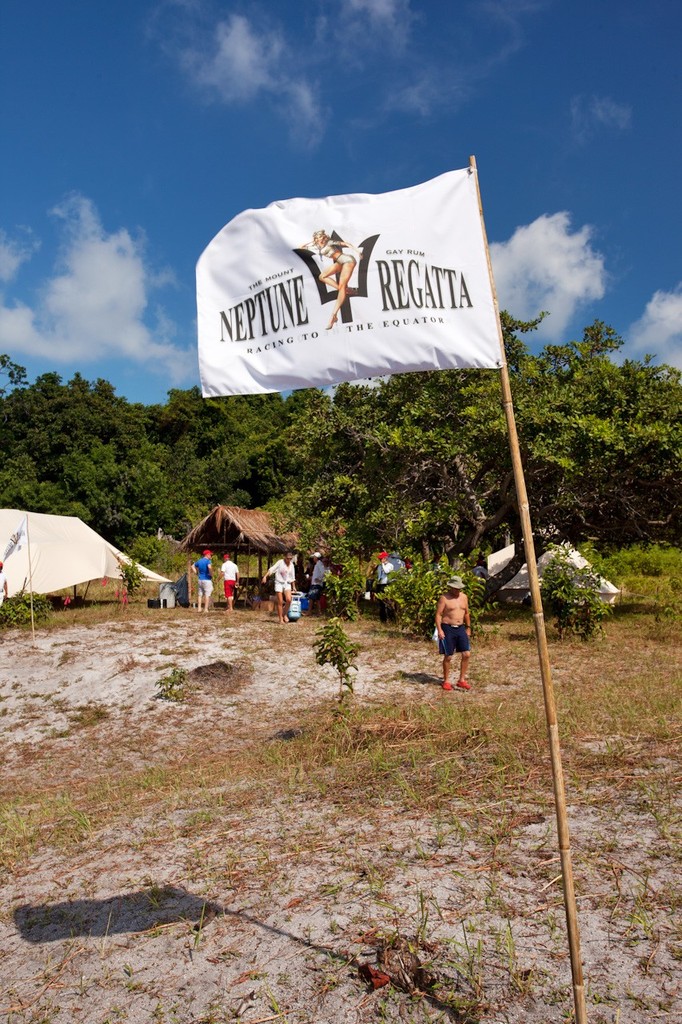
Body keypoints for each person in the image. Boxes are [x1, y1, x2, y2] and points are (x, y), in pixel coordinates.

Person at [300, 230, 361, 330]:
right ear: (316, 239)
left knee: (342, 286)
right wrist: (312, 242)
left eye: (322, 237)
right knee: (322, 277)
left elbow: (345, 244)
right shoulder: (316, 247)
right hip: (340, 263)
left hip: (347, 260)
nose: (321, 240)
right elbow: (301, 247)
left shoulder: (329, 242)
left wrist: (358, 251)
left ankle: (334, 315)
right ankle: (345, 290)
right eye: (319, 238)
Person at [435, 576, 472, 691]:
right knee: (448, 656)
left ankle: (461, 680)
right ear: (450, 587)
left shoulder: (464, 597)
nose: (457, 590)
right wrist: (440, 630)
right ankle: (446, 680)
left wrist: (468, 627)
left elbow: (466, 613)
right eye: (455, 588)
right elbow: (438, 615)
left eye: (459, 588)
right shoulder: (444, 598)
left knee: (466, 654)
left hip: (460, 627)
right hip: (448, 628)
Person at [262, 551, 297, 624]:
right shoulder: (280, 562)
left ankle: (284, 614)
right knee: (280, 601)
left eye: (290, 559)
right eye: (288, 558)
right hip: (279, 583)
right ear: (285, 557)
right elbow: (272, 569)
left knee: (289, 599)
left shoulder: (291, 565)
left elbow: (292, 577)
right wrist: (265, 576)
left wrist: (294, 586)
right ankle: (280, 618)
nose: (289, 560)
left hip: (287, 583)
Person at [375, 550, 395, 623]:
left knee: (388, 602)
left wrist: (383, 564)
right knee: (381, 603)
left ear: (385, 558)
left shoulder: (390, 565)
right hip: (380, 584)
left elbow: (386, 571)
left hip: (387, 584)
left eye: (382, 558)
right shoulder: (380, 566)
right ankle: (383, 619)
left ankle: (392, 619)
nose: (380, 560)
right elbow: (379, 575)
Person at [192, 549, 213, 613]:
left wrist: (196, 573)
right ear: (207, 555)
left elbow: (192, 566)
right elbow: (209, 567)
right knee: (207, 594)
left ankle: (199, 608)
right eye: (210, 555)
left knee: (200, 594)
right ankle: (206, 609)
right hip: (207, 579)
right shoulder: (208, 561)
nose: (211, 556)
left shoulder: (199, 561)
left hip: (200, 579)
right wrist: (211, 574)